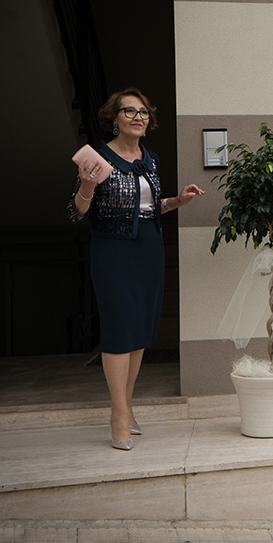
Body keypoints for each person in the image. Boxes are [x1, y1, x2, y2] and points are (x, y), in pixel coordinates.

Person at [67, 88, 204, 450]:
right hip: (113, 251)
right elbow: (76, 212)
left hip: (149, 248)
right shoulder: (97, 157)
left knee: (142, 328)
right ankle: (117, 416)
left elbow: (147, 206)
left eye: (143, 112)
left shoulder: (150, 159)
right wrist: (86, 185)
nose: (138, 117)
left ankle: (127, 408)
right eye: (130, 111)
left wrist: (178, 200)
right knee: (118, 328)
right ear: (114, 118)